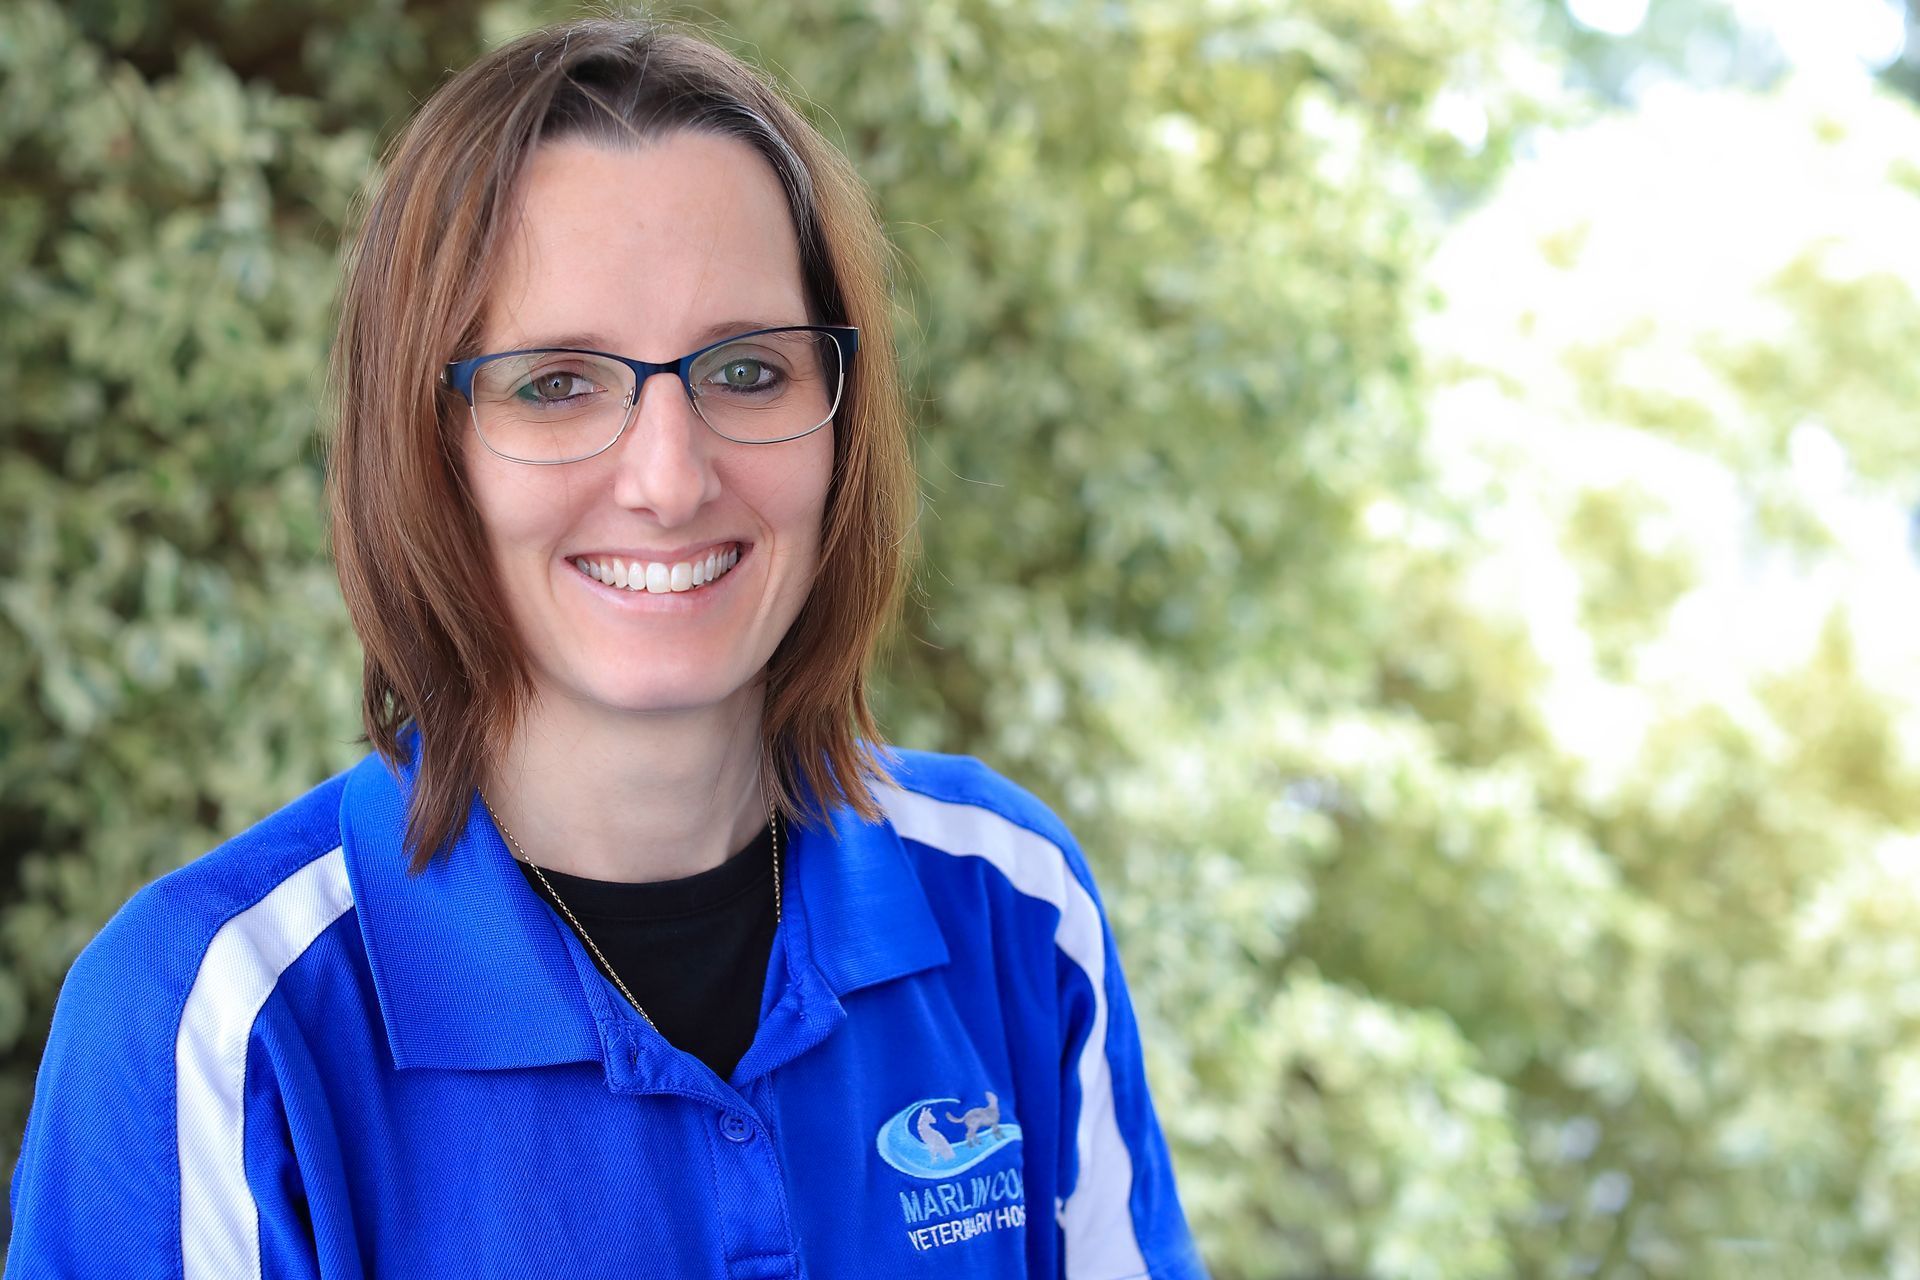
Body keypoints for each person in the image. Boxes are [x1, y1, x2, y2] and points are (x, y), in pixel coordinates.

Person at [4, 17, 1205, 1279]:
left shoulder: (1011, 901)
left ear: (842, 423)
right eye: (558, 382)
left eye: (749, 369)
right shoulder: (219, 1020)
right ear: (427, 444)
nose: (671, 477)